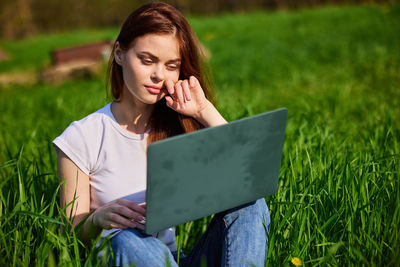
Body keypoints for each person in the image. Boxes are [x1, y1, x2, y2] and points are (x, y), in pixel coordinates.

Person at [54, 2, 270, 266]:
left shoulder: (176, 126)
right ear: (120, 54)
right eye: (147, 60)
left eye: (171, 66)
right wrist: (98, 219)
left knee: (250, 202)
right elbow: (68, 232)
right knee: (127, 240)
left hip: (172, 260)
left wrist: (203, 110)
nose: (158, 75)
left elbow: (249, 176)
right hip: (123, 255)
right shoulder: (82, 137)